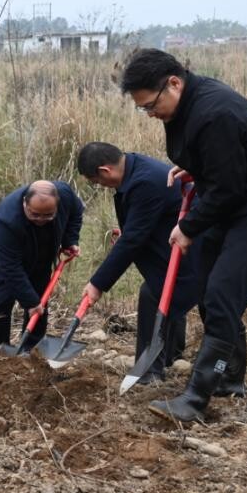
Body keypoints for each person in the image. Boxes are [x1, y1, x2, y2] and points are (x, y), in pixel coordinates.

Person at [121, 48, 247, 422]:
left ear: (174, 82)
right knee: (207, 287)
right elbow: (222, 165)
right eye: (144, 109)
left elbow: (228, 188)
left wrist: (187, 227)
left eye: (151, 105)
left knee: (222, 291)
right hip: (232, 198)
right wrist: (194, 170)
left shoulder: (215, 112)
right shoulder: (188, 103)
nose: (150, 114)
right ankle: (230, 379)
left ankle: (196, 400)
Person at [76, 142, 201, 383]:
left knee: (154, 292)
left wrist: (97, 284)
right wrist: (131, 227)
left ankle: (150, 371)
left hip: (193, 245)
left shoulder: (145, 182)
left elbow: (133, 240)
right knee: (166, 289)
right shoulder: (134, 166)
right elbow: (140, 225)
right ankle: (171, 355)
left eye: (97, 181)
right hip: (173, 240)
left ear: (105, 171)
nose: (100, 186)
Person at [0, 180, 83, 351]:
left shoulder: (65, 194)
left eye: (48, 215)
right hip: (1, 260)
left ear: (57, 205)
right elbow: (10, 267)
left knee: (40, 301)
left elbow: (76, 211)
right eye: (35, 214)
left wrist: (70, 240)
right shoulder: (8, 220)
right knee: (0, 304)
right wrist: (29, 302)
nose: (41, 220)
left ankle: (32, 348)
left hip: (41, 255)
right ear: (24, 204)